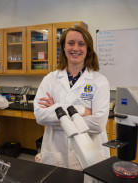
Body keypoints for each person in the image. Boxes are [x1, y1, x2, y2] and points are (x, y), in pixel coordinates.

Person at [34, 26, 110, 170]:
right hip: (56, 153)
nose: (75, 48)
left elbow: (98, 124)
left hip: (89, 154)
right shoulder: (50, 79)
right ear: (63, 47)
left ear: (88, 48)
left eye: (81, 44)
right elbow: (40, 116)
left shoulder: (99, 81)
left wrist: (56, 109)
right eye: (70, 43)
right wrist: (82, 111)